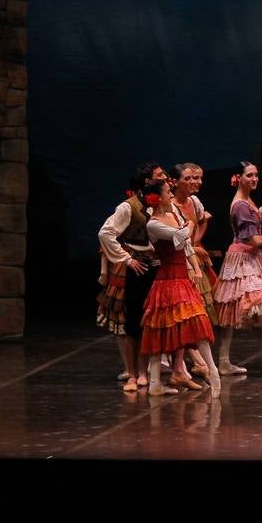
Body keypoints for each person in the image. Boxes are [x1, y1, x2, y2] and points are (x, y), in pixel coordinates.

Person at [139, 176, 220, 398]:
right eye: (167, 192)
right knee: (159, 328)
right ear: (158, 198)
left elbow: (186, 247)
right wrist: (192, 223)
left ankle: (212, 371)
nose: (171, 195)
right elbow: (181, 236)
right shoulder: (153, 223)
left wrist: (194, 268)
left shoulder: (172, 214)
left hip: (181, 277)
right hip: (167, 279)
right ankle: (155, 382)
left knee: (197, 321)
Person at [211, 161, 262, 377]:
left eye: (256, 175)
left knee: (233, 305)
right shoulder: (241, 205)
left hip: (248, 257)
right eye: (250, 175)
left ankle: (224, 360)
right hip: (242, 259)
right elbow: (254, 240)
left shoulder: (247, 200)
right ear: (239, 177)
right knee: (261, 299)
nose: (254, 179)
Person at [98, 162, 165, 392]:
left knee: (149, 322)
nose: (164, 177)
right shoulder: (128, 208)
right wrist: (127, 259)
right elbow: (106, 233)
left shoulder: (160, 205)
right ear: (147, 182)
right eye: (159, 175)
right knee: (133, 322)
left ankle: (144, 372)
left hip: (156, 268)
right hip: (137, 269)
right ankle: (132, 375)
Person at [171, 162, 216, 381]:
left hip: (191, 260)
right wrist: (192, 247)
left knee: (198, 311)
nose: (194, 182)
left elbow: (200, 221)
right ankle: (192, 361)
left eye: (197, 178)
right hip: (175, 263)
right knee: (182, 312)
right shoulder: (168, 205)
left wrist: (196, 244)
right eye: (188, 178)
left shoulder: (194, 201)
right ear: (176, 181)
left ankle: (195, 359)